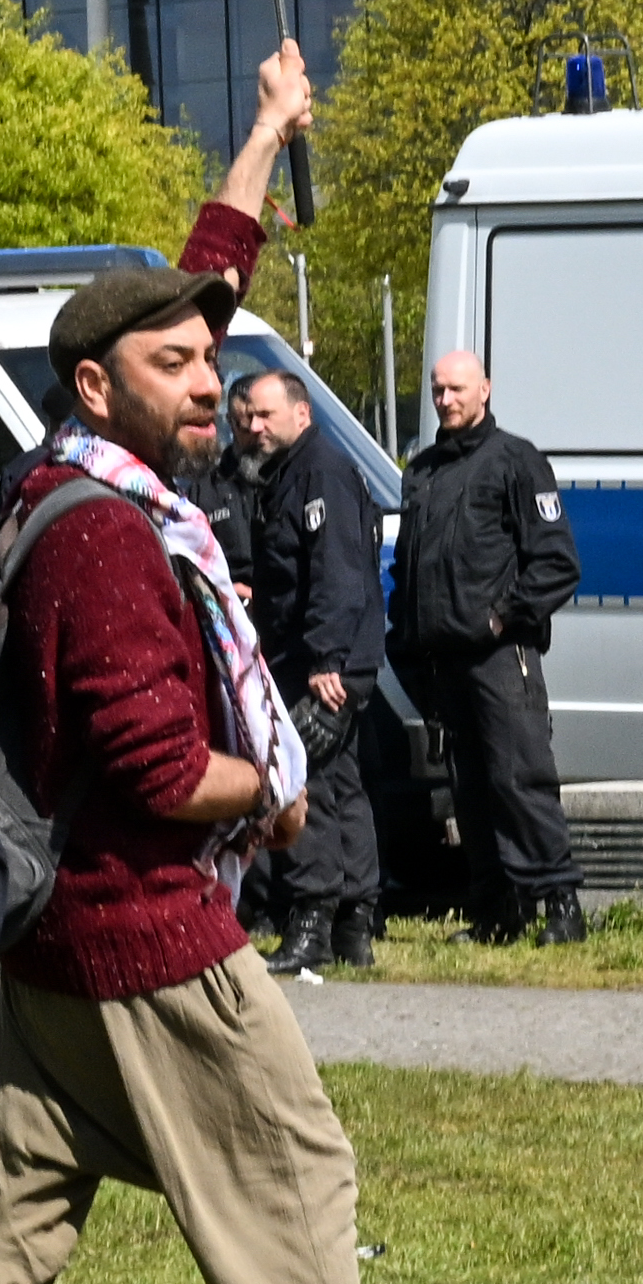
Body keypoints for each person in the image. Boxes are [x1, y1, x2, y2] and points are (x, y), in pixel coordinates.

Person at [0, 47, 513, 1284]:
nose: (216, 380)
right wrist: (279, 790)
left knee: (19, 1201)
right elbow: (164, 772)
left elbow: (203, 280)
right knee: (295, 1172)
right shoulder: (105, 539)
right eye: (178, 367)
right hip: (143, 922)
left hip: (57, 928)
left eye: (207, 358)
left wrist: (262, 136)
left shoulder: (68, 471)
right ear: (99, 384)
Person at [391, 350, 582, 941]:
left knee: (519, 780)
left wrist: (502, 620)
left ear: (486, 390)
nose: (445, 399)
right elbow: (407, 569)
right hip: (442, 662)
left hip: (501, 657)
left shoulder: (516, 461)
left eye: (456, 388)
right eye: (437, 389)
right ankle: (497, 912)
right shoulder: (421, 471)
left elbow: (557, 564)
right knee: (469, 791)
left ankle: (559, 907)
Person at [229, 364, 390, 977]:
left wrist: (328, 660)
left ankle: (313, 923)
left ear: (302, 413)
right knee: (341, 786)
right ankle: (355, 925)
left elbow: (337, 574)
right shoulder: (290, 474)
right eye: (248, 418)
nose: (255, 426)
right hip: (322, 657)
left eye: (267, 415)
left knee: (305, 786)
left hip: (325, 662)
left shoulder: (320, 471)